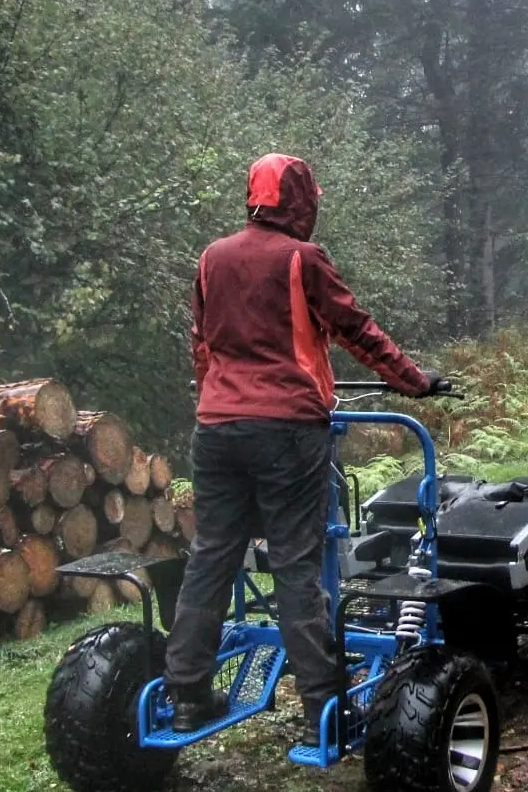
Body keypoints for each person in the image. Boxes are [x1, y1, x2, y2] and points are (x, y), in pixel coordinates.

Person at [164, 152, 443, 745]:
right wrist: (413, 380)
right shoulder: (302, 258)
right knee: (296, 559)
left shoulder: (212, 257)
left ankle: (186, 693)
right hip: (287, 429)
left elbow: (201, 344)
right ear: (300, 201)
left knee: (212, 554)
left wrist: (215, 401)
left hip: (216, 428)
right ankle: (327, 708)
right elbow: (355, 329)